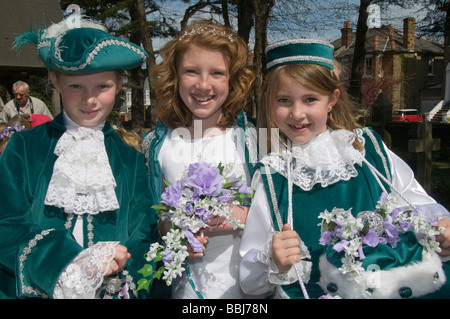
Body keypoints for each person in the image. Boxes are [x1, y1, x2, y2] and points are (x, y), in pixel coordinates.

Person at [239, 38, 450, 299]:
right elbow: (249, 283)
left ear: (332, 100)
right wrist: (274, 259)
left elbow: (414, 202)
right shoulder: (272, 175)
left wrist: (442, 226)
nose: (297, 113)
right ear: (270, 102)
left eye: (310, 99)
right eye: (284, 100)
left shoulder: (367, 151)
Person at [0, 17, 159, 299]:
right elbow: (7, 223)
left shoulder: (131, 161)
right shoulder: (24, 147)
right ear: (55, 81)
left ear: (120, 84)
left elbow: (143, 238)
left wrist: (117, 282)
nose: (89, 100)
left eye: (102, 86)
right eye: (76, 87)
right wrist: (66, 266)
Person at [142, 21, 258, 299]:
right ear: (175, 75)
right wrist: (175, 227)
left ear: (233, 79)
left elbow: (278, 212)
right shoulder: (158, 145)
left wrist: (236, 215)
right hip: (183, 287)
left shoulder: (255, 140)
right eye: (191, 71)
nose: (203, 85)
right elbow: (153, 220)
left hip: (246, 287)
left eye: (217, 73)